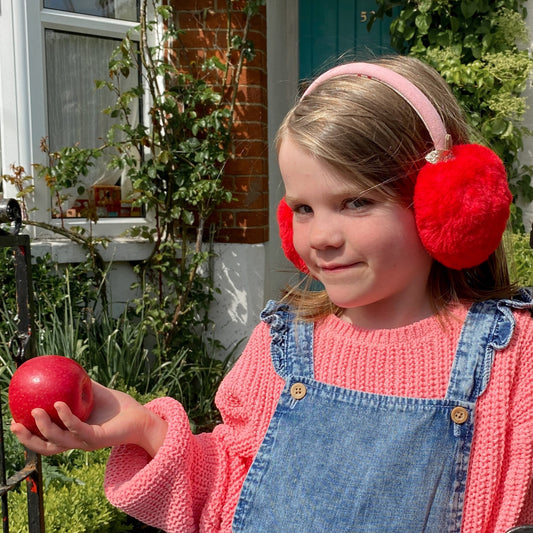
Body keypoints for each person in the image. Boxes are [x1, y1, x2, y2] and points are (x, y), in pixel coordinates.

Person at [11, 55, 533, 533]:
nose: (321, 236)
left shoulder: (510, 357)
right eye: (304, 208)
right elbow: (229, 494)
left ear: (447, 205)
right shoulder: (283, 346)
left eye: (355, 202)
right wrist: (142, 429)